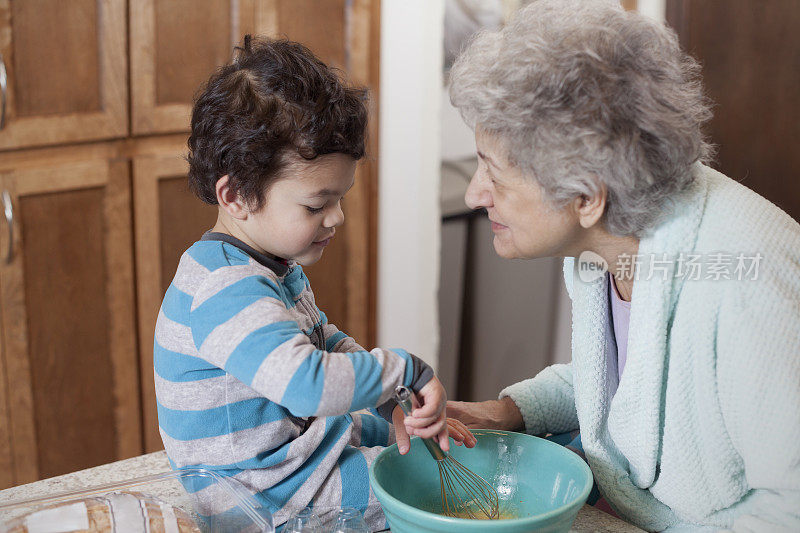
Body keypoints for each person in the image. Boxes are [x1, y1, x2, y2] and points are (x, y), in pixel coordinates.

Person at [445, 0, 800, 531]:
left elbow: (791, 505)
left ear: (587, 196)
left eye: (493, 173)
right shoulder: (606, 247)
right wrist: (511, 411)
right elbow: (630, 387)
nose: (476, 194)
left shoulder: (749, 283)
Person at [153, 36, 474, 531]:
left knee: (406, 438)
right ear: (236, 195)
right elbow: (307, 385)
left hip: (288, 458)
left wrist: (394, 401)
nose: (337, 217)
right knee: (425, 480)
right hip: (259, 495)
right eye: (316, 204)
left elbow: (320, 338)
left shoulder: (268, 265)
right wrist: (406, 369)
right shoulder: (224, 287)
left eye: (340, 198)